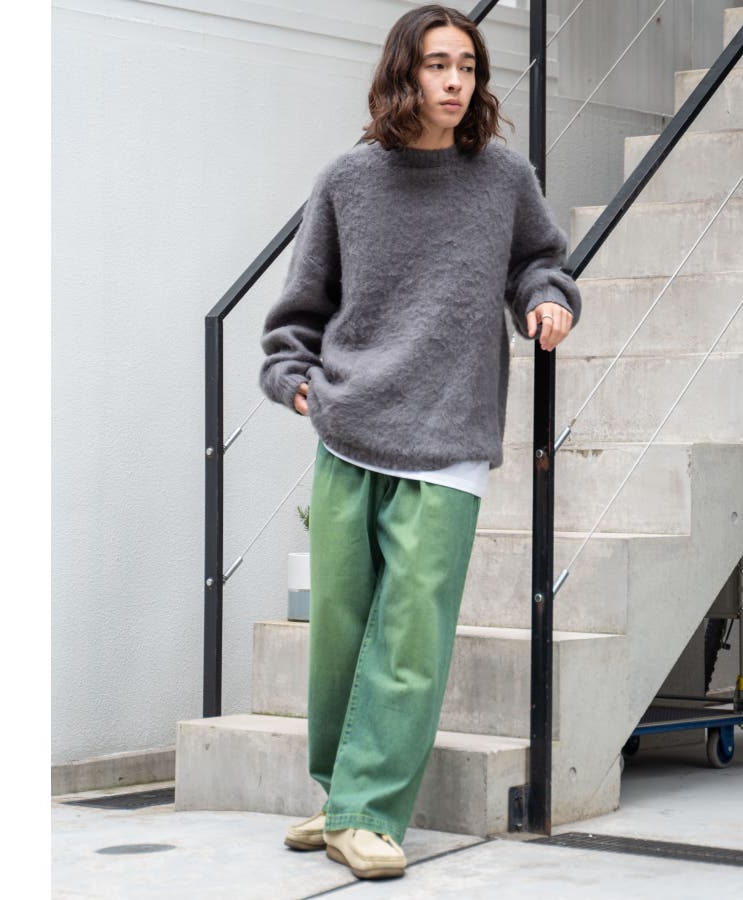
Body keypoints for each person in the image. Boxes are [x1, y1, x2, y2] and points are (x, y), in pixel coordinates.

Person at [259, 3, 580, 881]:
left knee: (409, 636)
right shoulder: (348, 179)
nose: (454, 81)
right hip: (351, 427)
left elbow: (538, 261)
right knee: (339, 632)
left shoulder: (502, 176)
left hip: (450, 434)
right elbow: (303, 304)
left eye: (467, 67)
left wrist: (547, 299)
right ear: (404, 72)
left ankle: (369, 811)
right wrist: (293, 378)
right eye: (438, 64)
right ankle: (342, 795)